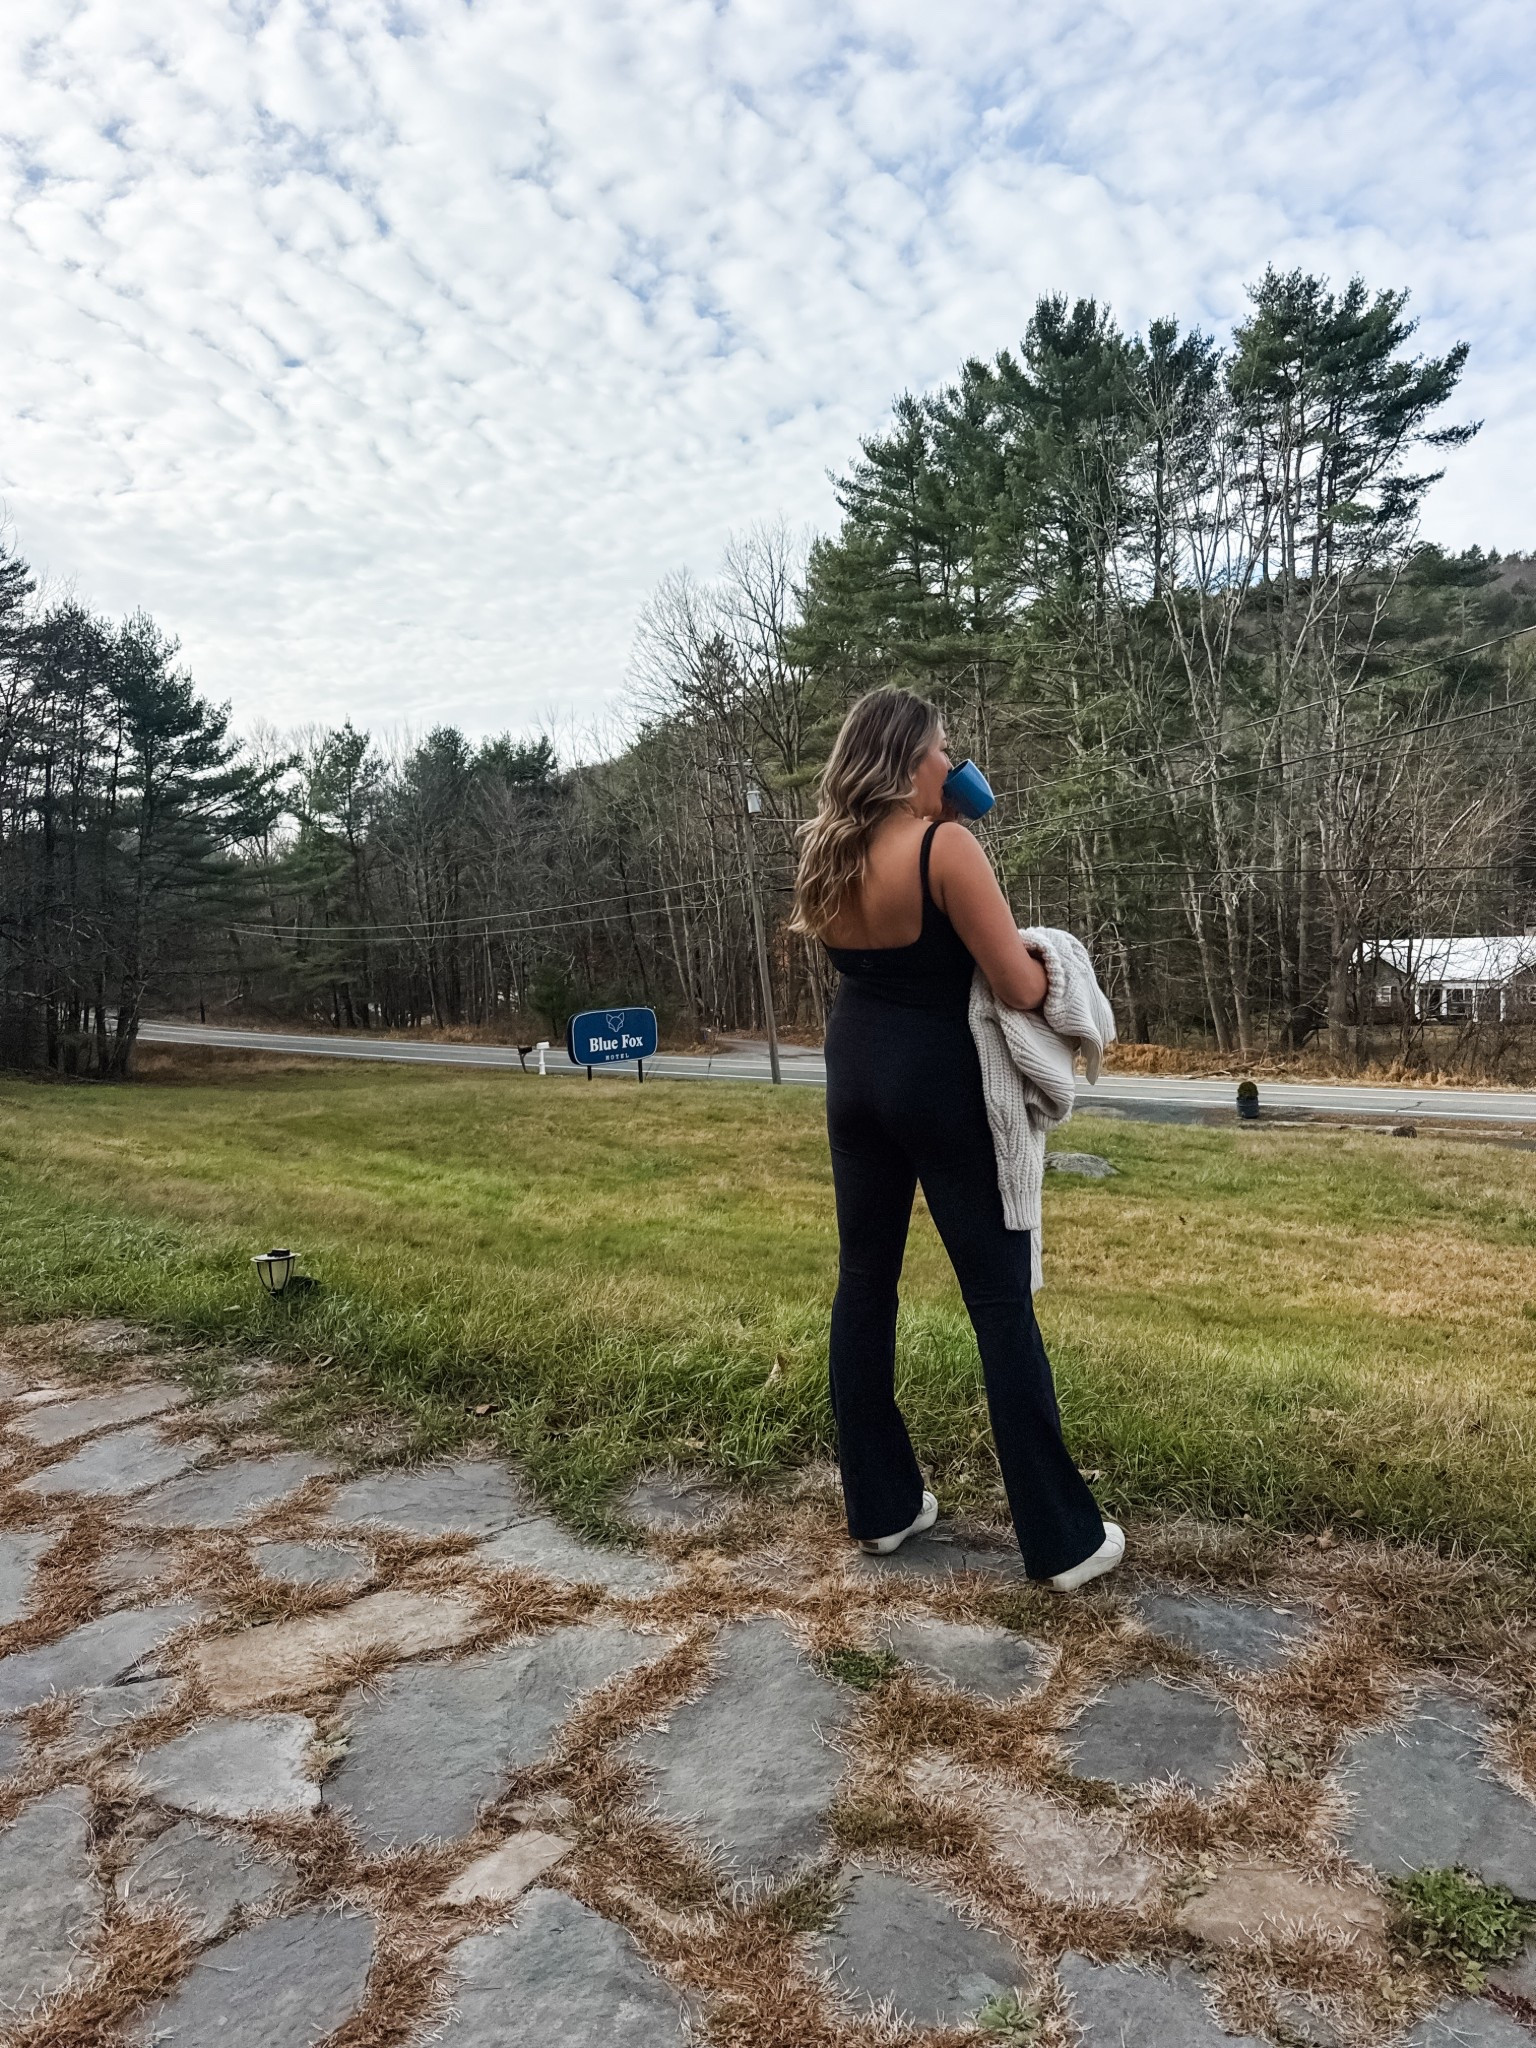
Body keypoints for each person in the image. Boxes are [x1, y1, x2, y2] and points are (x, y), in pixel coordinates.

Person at [790, 686, 1123, 1593]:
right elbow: (1017, 986)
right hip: (942, 1084)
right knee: (999, 1301)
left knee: (865, 1282)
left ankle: (882, 1510)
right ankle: (1063, 1541)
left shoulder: (826, 851)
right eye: (943, 749)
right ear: (907, 763)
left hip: (854, 1073)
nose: (955, 764)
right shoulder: (947, 847)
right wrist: (1052, 952)